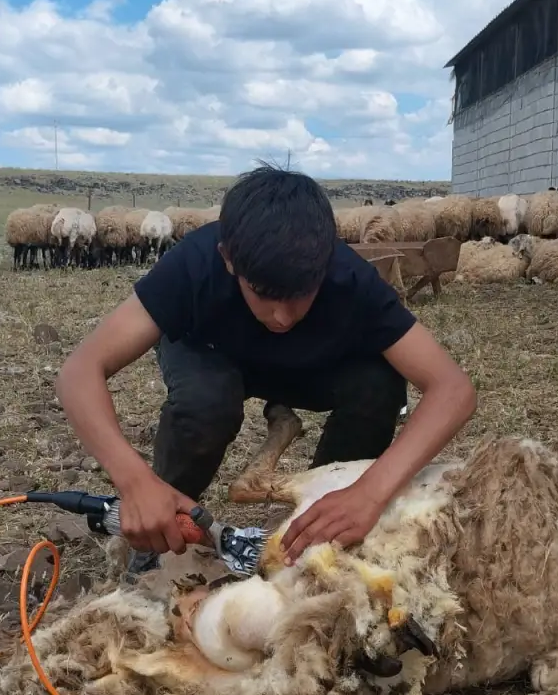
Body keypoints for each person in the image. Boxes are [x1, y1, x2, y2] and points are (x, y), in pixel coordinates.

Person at [54, 163, 477, 578]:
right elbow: (80, 371)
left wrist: (370, 491)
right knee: (207, 403)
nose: (281, 316)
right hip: (210, 353)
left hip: (309, 364)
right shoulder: (195, 262)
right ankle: (158, 526)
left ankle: (326, 516)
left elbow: (453, 390)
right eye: (263, 294)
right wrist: (134, 481)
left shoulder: (350, 277)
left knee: (379, 386)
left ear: (325, 263)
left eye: (300, 295)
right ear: (229, 258)